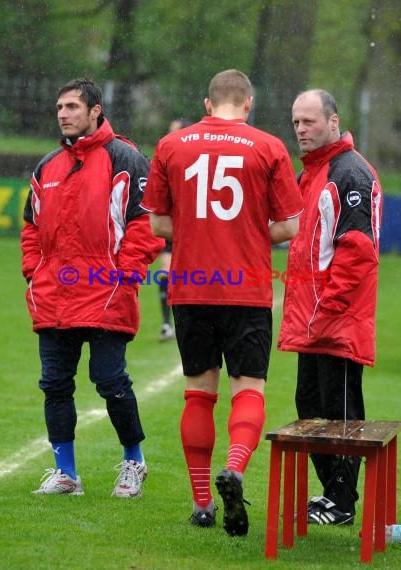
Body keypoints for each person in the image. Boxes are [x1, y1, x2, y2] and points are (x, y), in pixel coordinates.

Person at [143, 69, 303, 536]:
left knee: (198, 392)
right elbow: (289, 228)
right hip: (246, 287)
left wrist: (199, 232)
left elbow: (156, 225)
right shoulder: (269, 146)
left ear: (207, 105)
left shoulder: (172, 145)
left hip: (191, 286)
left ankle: (201, 503)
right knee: (248, 388)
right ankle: (234, 469)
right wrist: (245, 236)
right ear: (248, 104)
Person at [21, 78, 164, 498]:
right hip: (53, 297)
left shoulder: (126, 158)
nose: (63, 114)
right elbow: (31, 227)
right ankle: (65, 473)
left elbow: (147, 224)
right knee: (55, 384)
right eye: (59, 107)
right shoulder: (47, 166)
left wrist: (126, 273)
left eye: (72, 107)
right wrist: (34, 271)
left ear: (96, 111)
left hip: (106, 295)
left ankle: (134, 462)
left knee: (110, 380)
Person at [278, 89, 383, 525]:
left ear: (334, 121)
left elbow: (357, 254)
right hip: (313, 318)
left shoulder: (350, 173)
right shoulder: (313, 172)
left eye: (310, 121)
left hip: (336, 322)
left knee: (340, 413)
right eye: (296, 122)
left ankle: (341, 502)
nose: (301, 130)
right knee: (309, 407)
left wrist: (326, 310)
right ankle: (334, 496)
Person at [158, 118, 192, 342]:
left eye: (174, 133)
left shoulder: (194, 159)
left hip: (195, 230)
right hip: (173, 227)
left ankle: (188, 321)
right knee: (164, 274)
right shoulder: (166, 158)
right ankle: (166, 324)